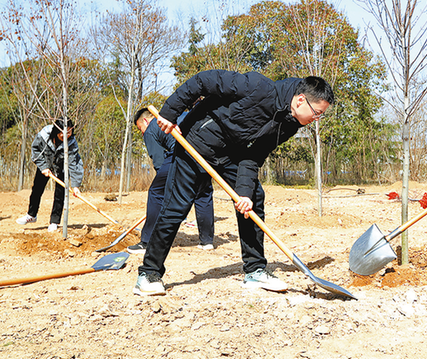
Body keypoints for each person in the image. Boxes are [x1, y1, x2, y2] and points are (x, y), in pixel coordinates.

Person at [133, 70, 334, 296]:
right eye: (316, 113)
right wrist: (169, 113)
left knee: (254, 197)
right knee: (176, 207)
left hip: (230, 153)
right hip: (197, 142)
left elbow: (255, 155)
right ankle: (148, 274)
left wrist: (245, 193)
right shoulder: (257, 86)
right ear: (300, 100)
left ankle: (255, 270)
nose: (316, 120)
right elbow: (202, 81)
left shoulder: (290, 123)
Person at [128, 108, 215, 254]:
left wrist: (166, 186)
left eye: (140, 128)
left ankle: (147, 242)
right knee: (202, 193)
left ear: (145, 120)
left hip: (181, 152)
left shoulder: (151, 128)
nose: (142, 132)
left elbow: (159, 162)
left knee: (156, 192)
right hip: (204, 152)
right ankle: (207, 241)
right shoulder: (177, 115)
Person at [16, 118, 84, 233]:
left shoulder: (72, 143)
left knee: (60, 194)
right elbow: (35, 150)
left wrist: (76, 185)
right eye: (64, 132)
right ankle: (31, 215)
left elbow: (74, 163)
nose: (66, 135)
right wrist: (43, 167)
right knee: (36, 190)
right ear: (56, 130)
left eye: (69, 132)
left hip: (61, 168)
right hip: (45, 165)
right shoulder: (44, 135)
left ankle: (54, 222)